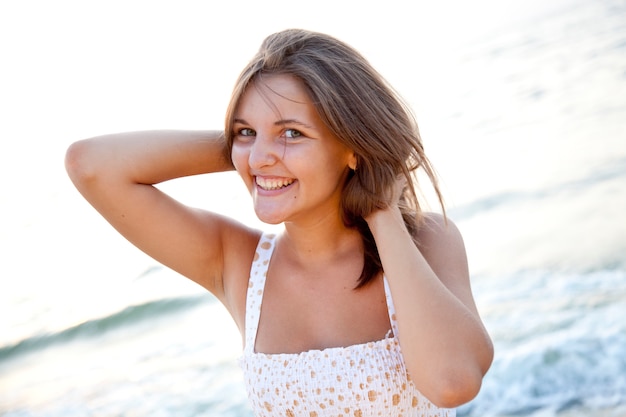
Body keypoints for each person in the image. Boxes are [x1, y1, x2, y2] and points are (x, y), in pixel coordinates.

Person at [65, 29, 493, 417]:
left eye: (292, 133)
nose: (259, 155)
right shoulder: (238, 263)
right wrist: (250, 148)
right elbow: (90, 166)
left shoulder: (425, 241)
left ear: (352, 143)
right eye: (245, 130)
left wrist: (381, 212)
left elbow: (451, 383)